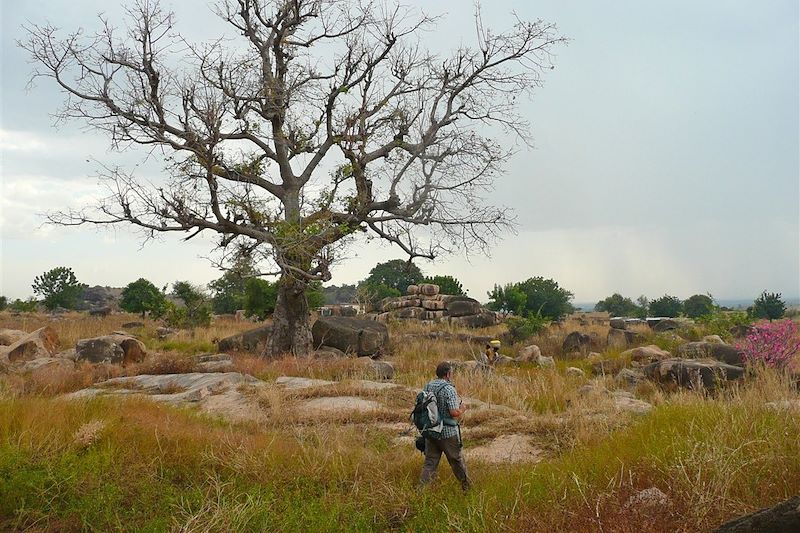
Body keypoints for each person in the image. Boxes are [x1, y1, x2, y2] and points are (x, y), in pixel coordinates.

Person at [419, 361, 471, 491]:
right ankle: (467, 488)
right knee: (456, 461)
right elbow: (454, 412)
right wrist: (462, 409)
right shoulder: (449, 388)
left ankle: (421, 491)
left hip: (431, 431)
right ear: (448, 374)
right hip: (447, 432)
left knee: (430, 463)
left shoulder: (428, 385)